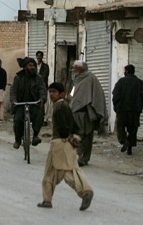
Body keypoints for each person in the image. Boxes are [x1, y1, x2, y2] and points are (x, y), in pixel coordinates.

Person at [37, 82, 94, 211]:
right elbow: (75, 127)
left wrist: (68, 138)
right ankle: (47, 200)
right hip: (63, 143)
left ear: (62, 94)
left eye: (54, 92)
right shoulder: (65, 106)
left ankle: (85, 192)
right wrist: (74, 138)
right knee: (51, 172)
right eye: (50, 91)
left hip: (60, 143)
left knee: (66, 172)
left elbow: (63, 127)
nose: (51, 94)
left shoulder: (60, 107)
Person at [70, 60, 106, 167]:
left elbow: (97, 94)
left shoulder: (91, 78)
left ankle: (84, 158)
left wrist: (97, 110)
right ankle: (79, 156)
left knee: (87, 137)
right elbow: (73, 93)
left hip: (86, 113)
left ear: (80, 68)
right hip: (75, 112)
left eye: (74, 67)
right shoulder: (76, 79)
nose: (72, 69)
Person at [112, 64, 143, 156]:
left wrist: (116, 106)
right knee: (132, 130)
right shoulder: (139, 82)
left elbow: (115, 96)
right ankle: (129, 148)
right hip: (134, 111)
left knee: (120, 128)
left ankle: (124, 141)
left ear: (127, 71)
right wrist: (139, 103)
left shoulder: (121, 82)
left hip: (122, 110)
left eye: (125, 71)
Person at [10, 57, 46, 148]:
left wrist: (42, 98)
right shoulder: (18, 77)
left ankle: (35, 136)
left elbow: (42, 89)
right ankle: (17, 140)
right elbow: (13, 90)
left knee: (40, 115)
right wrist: (13, 100)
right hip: (20, 104)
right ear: (25, 66)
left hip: (34, 104)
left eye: (33, 65)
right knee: (17, 120)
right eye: (30, 65)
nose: (32, 67)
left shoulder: (38, 78)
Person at [36, 51, 51, 126]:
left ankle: (45, 119)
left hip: (44, 87)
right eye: (38, 56)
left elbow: (45, 76)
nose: (39, 57)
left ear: (42, 57)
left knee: (45, 104)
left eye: (40, 56)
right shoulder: (34, 66)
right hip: (36, 88)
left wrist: (37, 76)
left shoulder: (45, 66)